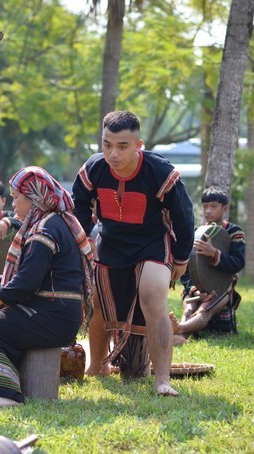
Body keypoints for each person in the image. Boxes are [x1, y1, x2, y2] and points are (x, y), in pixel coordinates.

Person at [72, 111, 194, 396]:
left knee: (153, 296)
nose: (113, 154)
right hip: (110, 241)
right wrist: (87, 237)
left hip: (152, 242)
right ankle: (97, 366)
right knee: (98, 301)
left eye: (122, 146)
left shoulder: (160, 172)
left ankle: (162, 379)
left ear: (139, 145)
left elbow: (184, 216)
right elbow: (78, 204)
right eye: (107, 145)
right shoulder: (93, 168)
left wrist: (181, 257)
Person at [0, 166, 94, 408]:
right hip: (51, 312)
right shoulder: (50, 223)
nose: (13, 204)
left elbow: (25, 285)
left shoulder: (45, 230)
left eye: (17, 197)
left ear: (35, 198)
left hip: (52, 317)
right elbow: (26, 277)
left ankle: (8, 394)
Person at [170, 187, 246, 343]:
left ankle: (181, 330)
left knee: (205, 309)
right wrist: (194, 287)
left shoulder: (235, 232)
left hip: (222, 288)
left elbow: (238, 263)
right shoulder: (196, 233)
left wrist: (214, 253)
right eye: (205, 207)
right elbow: (186, 266)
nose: (208, 211)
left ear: (224, 209)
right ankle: (181, 336)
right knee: (189, 307)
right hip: (196, 287)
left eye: (213, 206)